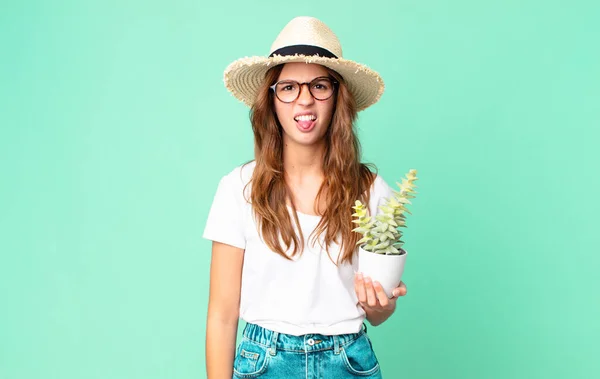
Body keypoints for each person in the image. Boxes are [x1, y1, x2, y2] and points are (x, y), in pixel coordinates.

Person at [202, 16, 408, 379]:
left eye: (319, 85)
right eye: (289, 88)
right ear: (272, 99)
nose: (305, 100)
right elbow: (221, 314)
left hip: (348, 361)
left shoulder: (371, 191)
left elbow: (377, 314)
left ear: (337, 97)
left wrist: (381, 304)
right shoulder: (238, 189)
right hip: (263, 363)